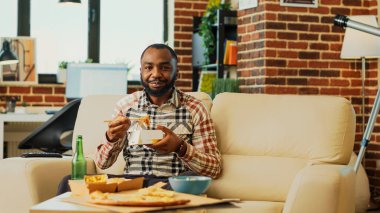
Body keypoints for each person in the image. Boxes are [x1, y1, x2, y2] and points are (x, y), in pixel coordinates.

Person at [57, 43, 221, 194]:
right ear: (141, 72)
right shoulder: (125, 106)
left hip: (169, 184)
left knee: (185, 184)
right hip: (131, 183)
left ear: (177, 72)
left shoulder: (195, 108)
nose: (155, 74)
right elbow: (102, 164)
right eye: (148, 67)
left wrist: (180, 147)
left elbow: (213, 168)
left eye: (164, 68)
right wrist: (112, 138)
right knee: (69, 182)